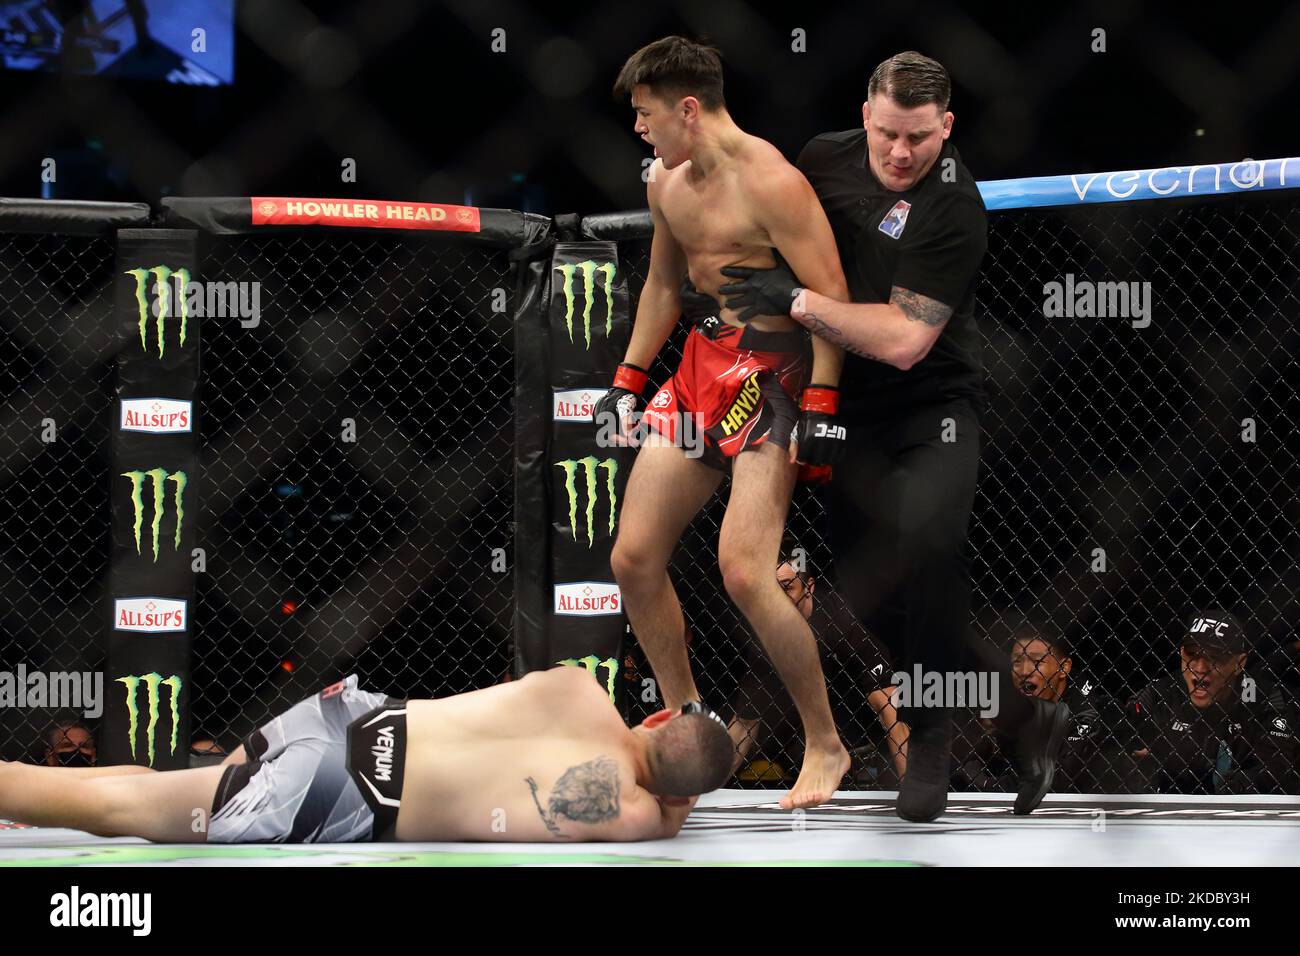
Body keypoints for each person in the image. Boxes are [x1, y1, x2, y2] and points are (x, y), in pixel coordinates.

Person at [713, 50, 1068, 820]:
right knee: (866, 595)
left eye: (920, 138)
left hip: (932, 405)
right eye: (889, 137)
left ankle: (931, 735)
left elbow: (906, 339)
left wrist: (799, 303)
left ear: (946, 126)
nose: (903, 154)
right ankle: (1021, 717)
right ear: (866, 117)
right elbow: (771, 233)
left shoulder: (954, 204)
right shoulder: (822, 159)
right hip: (842, 402)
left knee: (926, 540)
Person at [599, 36, 852, 810]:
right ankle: (690, 728)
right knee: (633, 558)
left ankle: (826, 742)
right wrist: (628, 380)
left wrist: (823, 406)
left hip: (774, 373)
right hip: (701, 368)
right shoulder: (665, 184)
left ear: (686, 107)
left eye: (646, 115)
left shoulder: (774, 182)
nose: (640, 131)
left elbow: (831, 296)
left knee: (744, 570)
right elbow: (662, 287)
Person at [0, 669, 734, 843]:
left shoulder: (578, 688)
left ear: (657, 714)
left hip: (349, 715)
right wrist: (682, 799)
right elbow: (667, 815)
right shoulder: (634, 810)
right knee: (116, 810)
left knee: (181, 788)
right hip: (345, 796)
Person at [1121, 609, 1300, 795]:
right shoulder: (1161, 692)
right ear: (1182, 654)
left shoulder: (1262, 696)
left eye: (1214, 657)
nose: (1200, 668)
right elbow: (1121, 731)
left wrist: (1240, 784)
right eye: (1192, 654)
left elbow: (1279, 767)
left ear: (1240, 663)